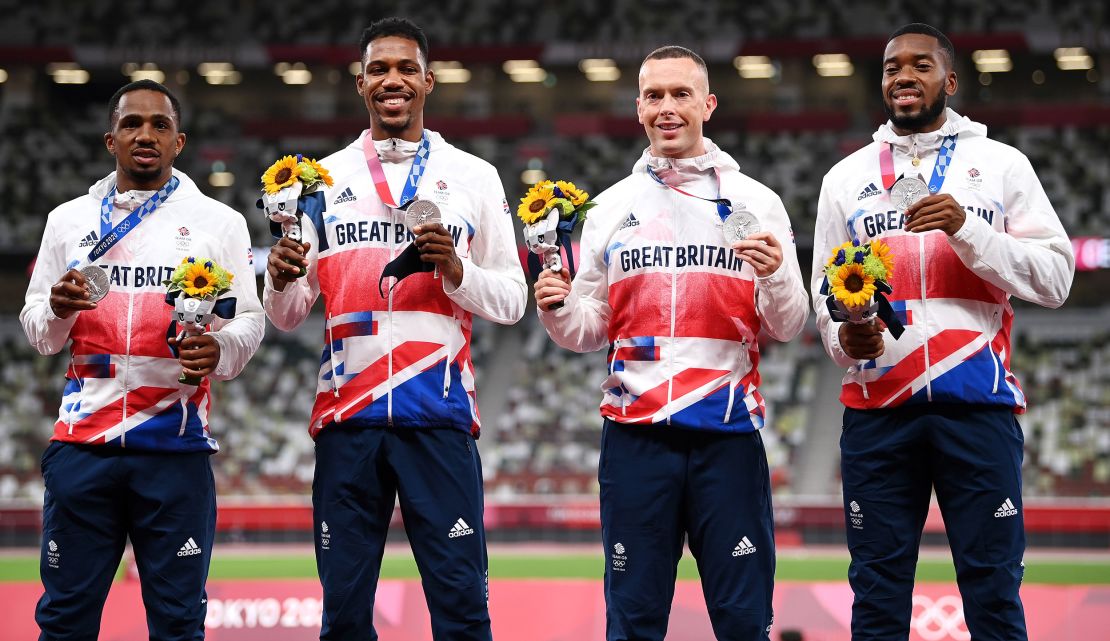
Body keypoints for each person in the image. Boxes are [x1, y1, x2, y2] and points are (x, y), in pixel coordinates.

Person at [264, 17, 526, 641]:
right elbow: (288, 314)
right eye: (379, 69)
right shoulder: (314, 182)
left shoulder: (474, 176)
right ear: (360, 84)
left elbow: (514, 300)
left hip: (437, 418)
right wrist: (279, 277)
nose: (393, 80)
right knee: (345, 618)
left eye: (406, 69)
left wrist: (457, 270)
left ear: (428, 81)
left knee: (463, 614)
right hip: (347, 420)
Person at [534, 46, 808, 641]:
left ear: (708, 104)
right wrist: (556, 308)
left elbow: (787, 324)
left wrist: (778, 275)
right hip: (636, 440)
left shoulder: (758, 202)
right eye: (654, 96)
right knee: (632, 624)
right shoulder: (609, 207)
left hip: (727, 437)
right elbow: (586, 330)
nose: (667, 107)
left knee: (742, 623)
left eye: (680, 94)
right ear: (638, 108)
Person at [811, 23, 1074, 641]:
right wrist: (842, 338)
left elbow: (1057, 278)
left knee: (993, 593)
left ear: (949, 81)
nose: (903, 76)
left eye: (920, 65)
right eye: (891, 67)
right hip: (878, 413)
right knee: (876, 597)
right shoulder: (844, 179)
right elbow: (826, 300)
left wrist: (968, 229)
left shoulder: (1002, 165)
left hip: (977, 408)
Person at [20, 79, 264, 640]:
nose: (145, 134)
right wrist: (56, 310)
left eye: (160, 124)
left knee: (178, 625)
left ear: (181, 141)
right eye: (132, 124)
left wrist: (221, 349)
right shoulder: (68, 220)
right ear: (111, 140)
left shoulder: (218, 223)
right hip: (84, 448)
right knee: (64, 621)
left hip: (174, 450)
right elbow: (38, 331)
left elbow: (249, 320)